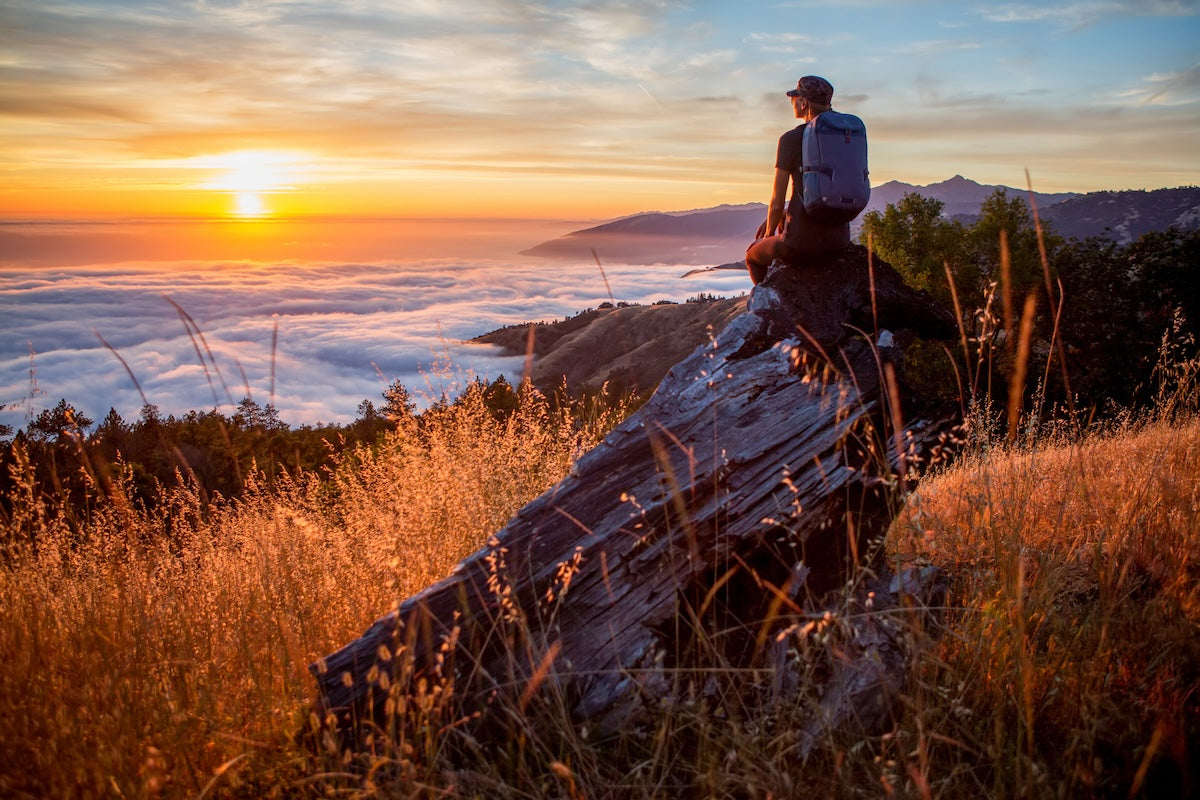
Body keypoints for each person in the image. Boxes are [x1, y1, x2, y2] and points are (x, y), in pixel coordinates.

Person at [745, 75, 852, 285]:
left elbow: (777, 199)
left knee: (752, 256)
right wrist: (783, 215)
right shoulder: (844, 137)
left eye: (795, 98)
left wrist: (767, 235)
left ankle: (769, 304)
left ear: (803, 103)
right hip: (839, 240)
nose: (792, 103)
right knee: (785, 219)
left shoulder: (791, 139)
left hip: (801, 244)